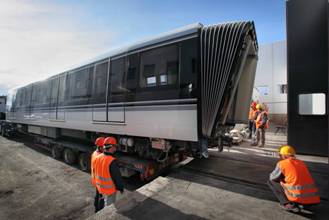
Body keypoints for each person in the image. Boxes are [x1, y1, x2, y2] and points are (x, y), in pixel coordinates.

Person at [267, 145, 320, 212]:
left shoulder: (282, 163)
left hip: (296, 198)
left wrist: (281, 179)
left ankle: (287, 203)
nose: (280, 157)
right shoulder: (301, 163)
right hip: (312, 199)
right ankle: (305, 203)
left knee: (271, 182)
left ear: (284, 155)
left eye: (280, 155)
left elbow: (272, 177)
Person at [94, 136, 124, 210]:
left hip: (100, 187)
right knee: (109, 208)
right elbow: (117, 177)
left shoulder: (98, 157)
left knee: (104, 203)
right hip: (109, 190)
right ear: (111, 147)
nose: (116, 148)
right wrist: (120, 188)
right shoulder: (111, 161)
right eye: (115, 146)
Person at [91, 137, 105, 213]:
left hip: (96, 178)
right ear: (100, 147)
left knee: (97, 195)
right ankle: (100, 212)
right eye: (104, 147)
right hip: (100, 180)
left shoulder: (95, 153)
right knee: (101, 197)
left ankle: (96, 209)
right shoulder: (100, 157)